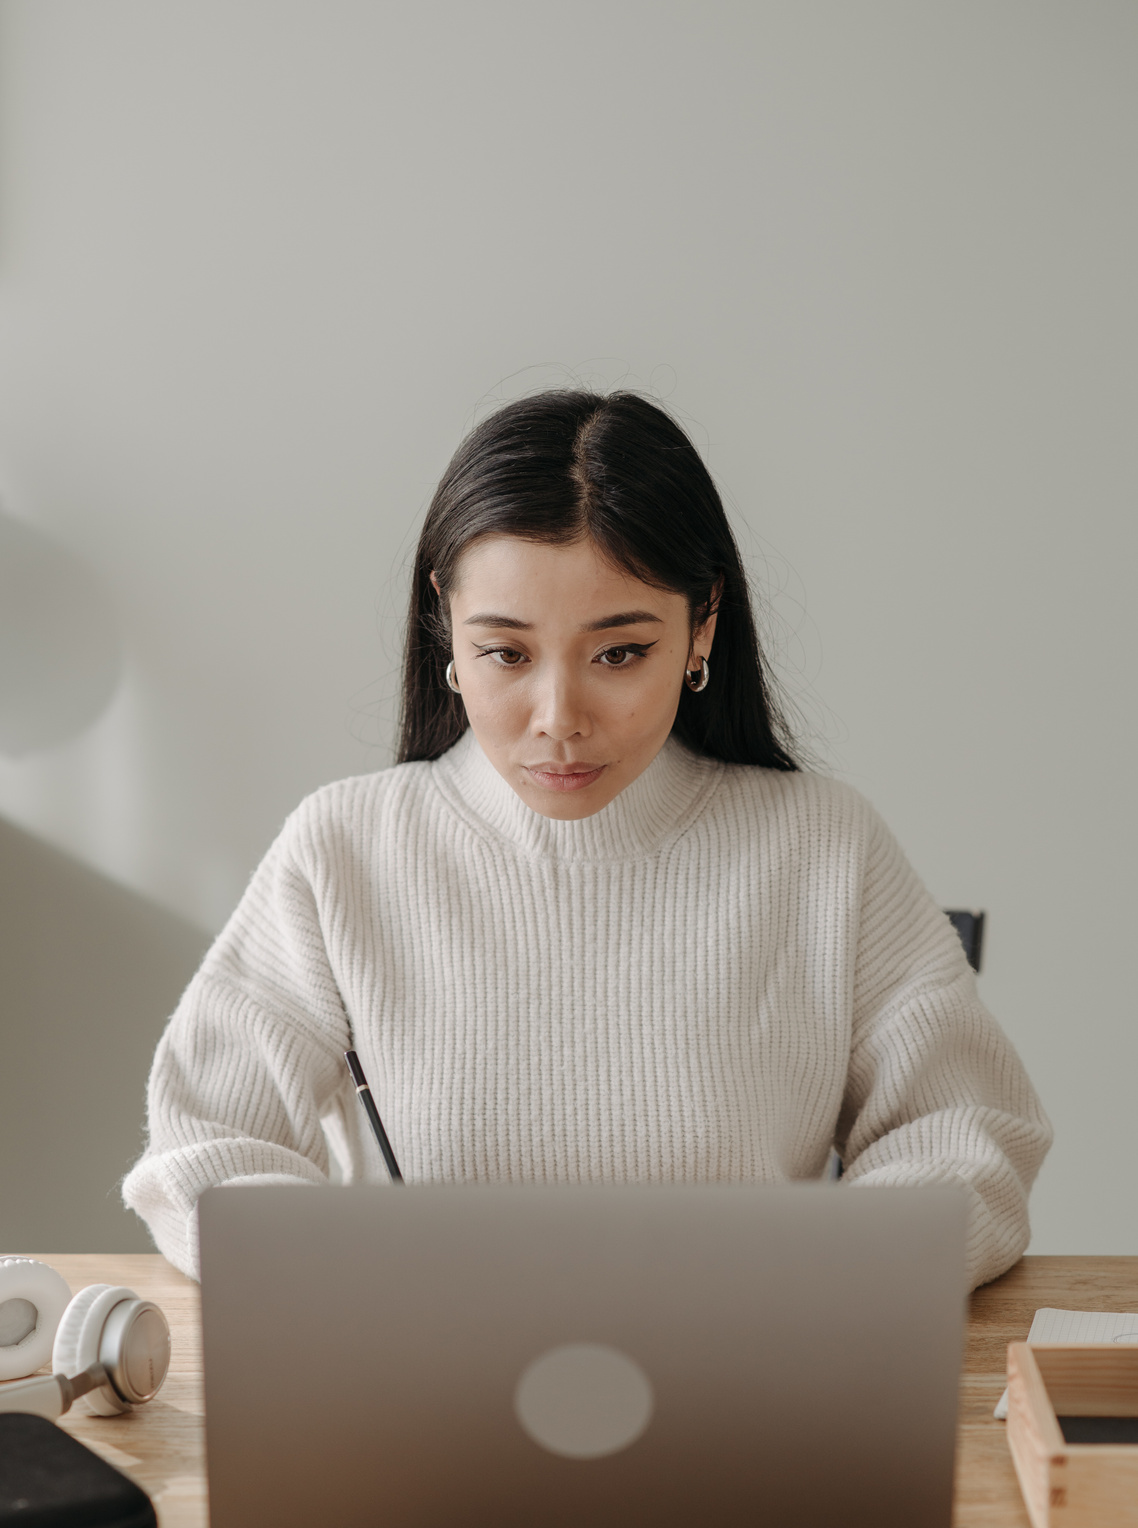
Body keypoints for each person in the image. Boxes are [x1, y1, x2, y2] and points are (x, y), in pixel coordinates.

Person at [123, 390, 1051, 1285]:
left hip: (750, 1397)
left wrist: (803, 1281)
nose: (559, 718)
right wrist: (363, 1281)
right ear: (446, 622)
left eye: (619, 652)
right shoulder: (343, 850)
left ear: (703, 628)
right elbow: (203, 1148)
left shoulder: (824, 847)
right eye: (506, 653)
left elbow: (969, 1139)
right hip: (427, 1409)